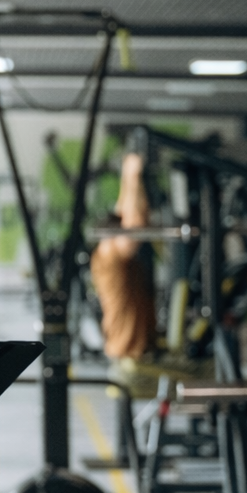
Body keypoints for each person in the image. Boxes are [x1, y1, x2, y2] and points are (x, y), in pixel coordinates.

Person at [89, 151, 156, 360]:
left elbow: (125, 213)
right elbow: (134, 226)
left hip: (132, 354)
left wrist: (127, 176)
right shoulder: (108, 255)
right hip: (128, 359)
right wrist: (132, 174)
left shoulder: (109, 250)